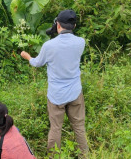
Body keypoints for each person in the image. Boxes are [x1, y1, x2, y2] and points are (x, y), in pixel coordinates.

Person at [20, 10, 89, 157]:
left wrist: (27, 57)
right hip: (75, 92)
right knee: (79, 127)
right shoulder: (81, 42)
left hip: (56, 94)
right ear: (74, 25)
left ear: (57, 24)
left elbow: (37, 63)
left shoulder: (49, 45)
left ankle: (53, 156)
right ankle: (85, 155)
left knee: (56, 128)